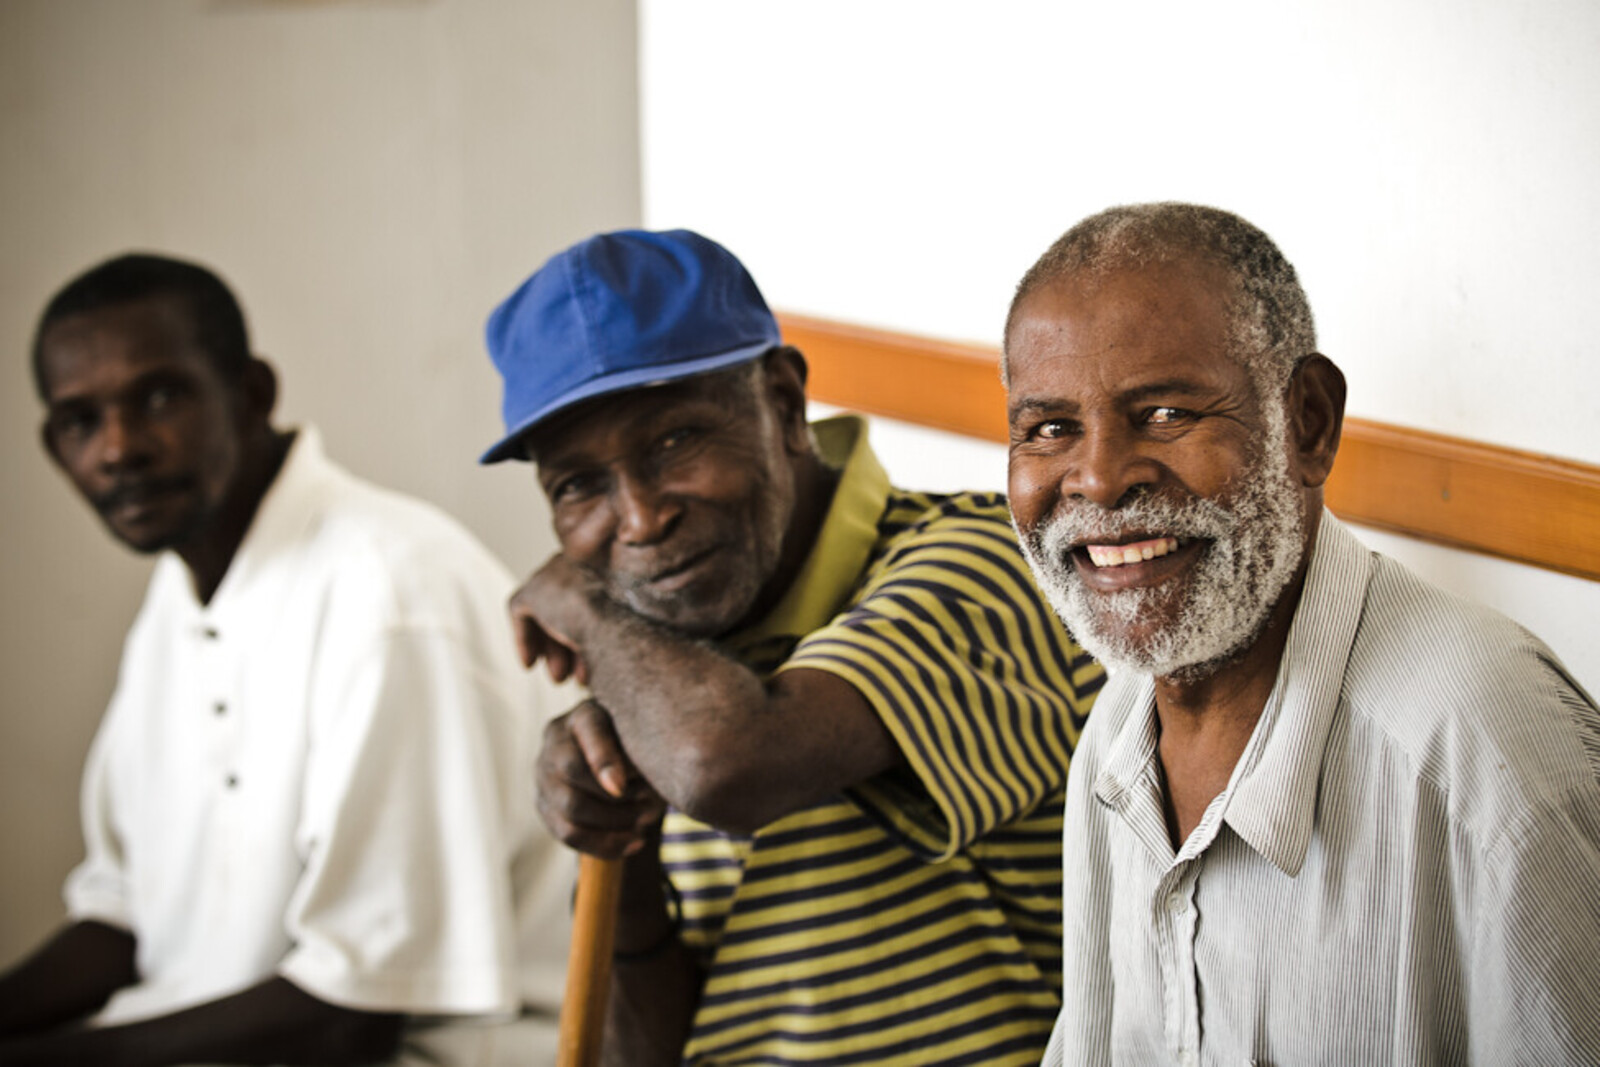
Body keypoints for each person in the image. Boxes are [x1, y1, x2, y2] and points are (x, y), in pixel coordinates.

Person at [479, 229, 1102, 1066]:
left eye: (674, 442)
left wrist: (580, 602)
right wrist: (622, 855)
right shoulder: (658, 667)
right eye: (578, 485)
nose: (638, 520)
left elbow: (727, 762)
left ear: (781, 402)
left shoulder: (981, 561)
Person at [1002, 202, 1600, 1065]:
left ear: (1307, 423)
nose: (1096, 478)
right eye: (1050, 428)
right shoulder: (1117, 735)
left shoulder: (1485, 753)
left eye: (1165, 411)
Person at [2, 253, 574, 1065]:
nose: (118, 447)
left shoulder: (390, 594)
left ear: (251, 394)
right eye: (80, 420)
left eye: (158, 396)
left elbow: (360, 1011)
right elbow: (126, 912)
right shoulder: (183, 595)